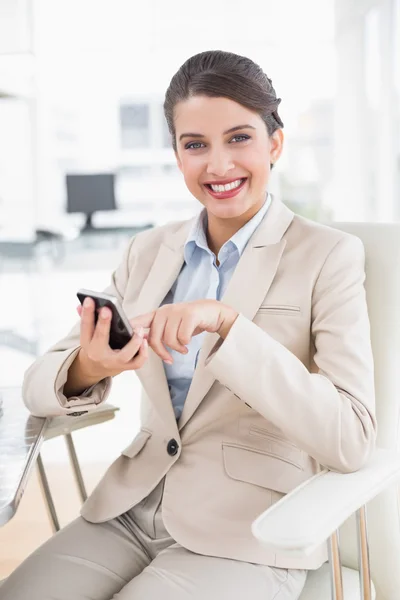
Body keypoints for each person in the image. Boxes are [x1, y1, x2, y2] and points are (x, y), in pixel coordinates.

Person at [1, 50, 376, 600]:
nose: (218, 165)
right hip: (128, 512)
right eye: (195, 145)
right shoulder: (148, 251)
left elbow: (351, 439)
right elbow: (38, 385)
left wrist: (229, 327)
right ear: (177, 156)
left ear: (275, 143)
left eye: (240, 138)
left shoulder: (328, 256)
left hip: (246, 530)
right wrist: (89, 366)